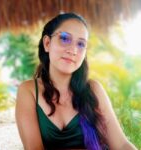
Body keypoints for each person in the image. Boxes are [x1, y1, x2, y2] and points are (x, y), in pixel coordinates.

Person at [15, 12, 137, 150]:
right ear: (47, 43)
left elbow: (121, 144)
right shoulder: (29, 90)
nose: (73, 50)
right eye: (65, 38)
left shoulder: (93, 89)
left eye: (80, 44)